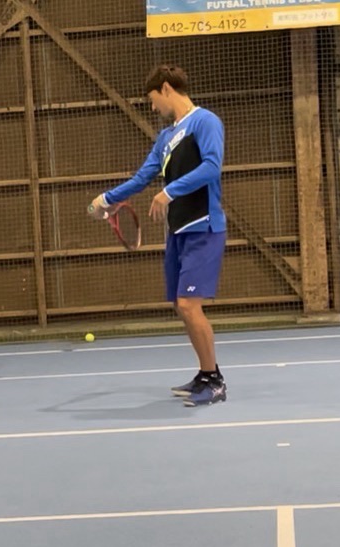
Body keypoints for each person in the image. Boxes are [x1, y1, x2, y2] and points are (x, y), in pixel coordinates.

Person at [89, 65, 227, 406]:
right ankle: (205, 374)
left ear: (166, 88)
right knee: (181, 306)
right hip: (177, 231)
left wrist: (169, 192)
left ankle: (215, 382)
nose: (152, 107)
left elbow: (212, 166)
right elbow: (142, 178)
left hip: (204, 226)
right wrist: (106, 200)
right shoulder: (165, 138)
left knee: (189, 304)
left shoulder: (205, 121)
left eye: (153, 99)